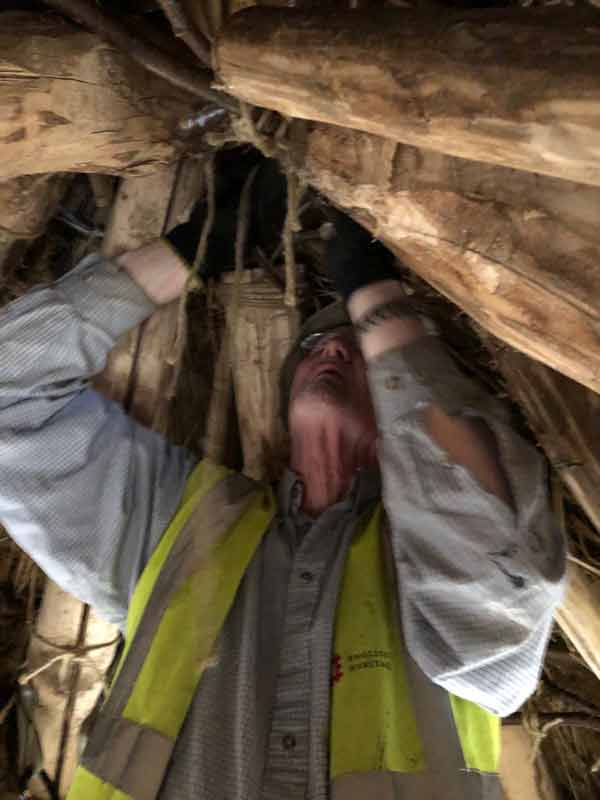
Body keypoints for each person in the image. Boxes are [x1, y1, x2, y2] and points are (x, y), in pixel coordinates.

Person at [0, 181, 565, 800]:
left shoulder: (431, 575)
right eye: (315, 348)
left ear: (405, 425)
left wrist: (375, 301)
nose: (331, 353)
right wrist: (185, 252)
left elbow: (503, 564)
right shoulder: (182, 530)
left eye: (360, 354)